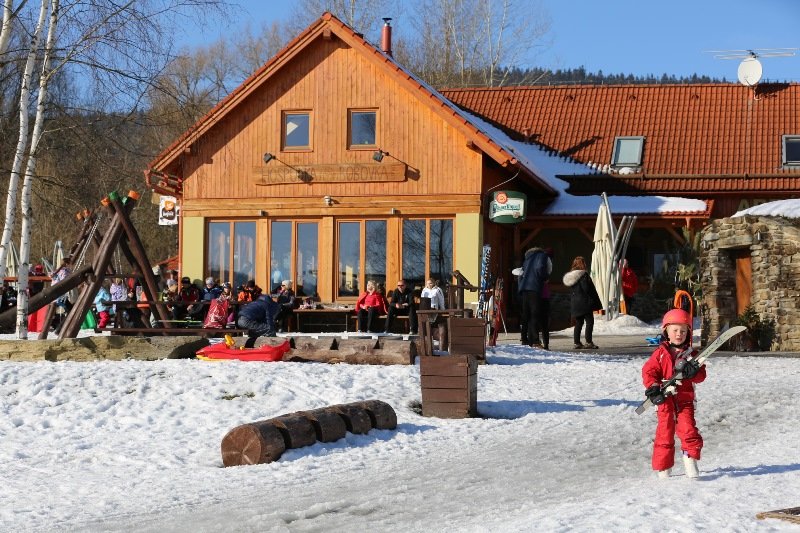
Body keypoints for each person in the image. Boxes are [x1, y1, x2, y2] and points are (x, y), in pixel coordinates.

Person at [642, 308, 705, 479]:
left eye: (683, 331)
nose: (679, 334)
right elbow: (649, 371)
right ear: (666, 332)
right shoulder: (660, 354)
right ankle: (663, 468)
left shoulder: (692, 355)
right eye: (675, 330)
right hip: (665, 401)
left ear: (688, 333)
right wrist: (653, 387)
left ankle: (690, 462)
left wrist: (694, 372)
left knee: (688, 430)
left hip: (685, 401)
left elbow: (701, 376)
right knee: (665, 433)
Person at [562, 256, 602, 349]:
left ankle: (576, 343)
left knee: (579, 323)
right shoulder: (583, 275)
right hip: (585, 302)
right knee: (589, 322)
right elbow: (586, 288)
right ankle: (588, 342)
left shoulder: (571, 277)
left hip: (575, 303)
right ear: (582, 264)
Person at [517, 246, 552, 347]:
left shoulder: (528, 258)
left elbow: (522, 272)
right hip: (534, 287)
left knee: (526, 314)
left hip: (525, 288)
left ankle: (524, 338)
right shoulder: (542, 256)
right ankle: (535, 340)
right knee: (534, 314)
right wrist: (545, 278)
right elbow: (540, 268)